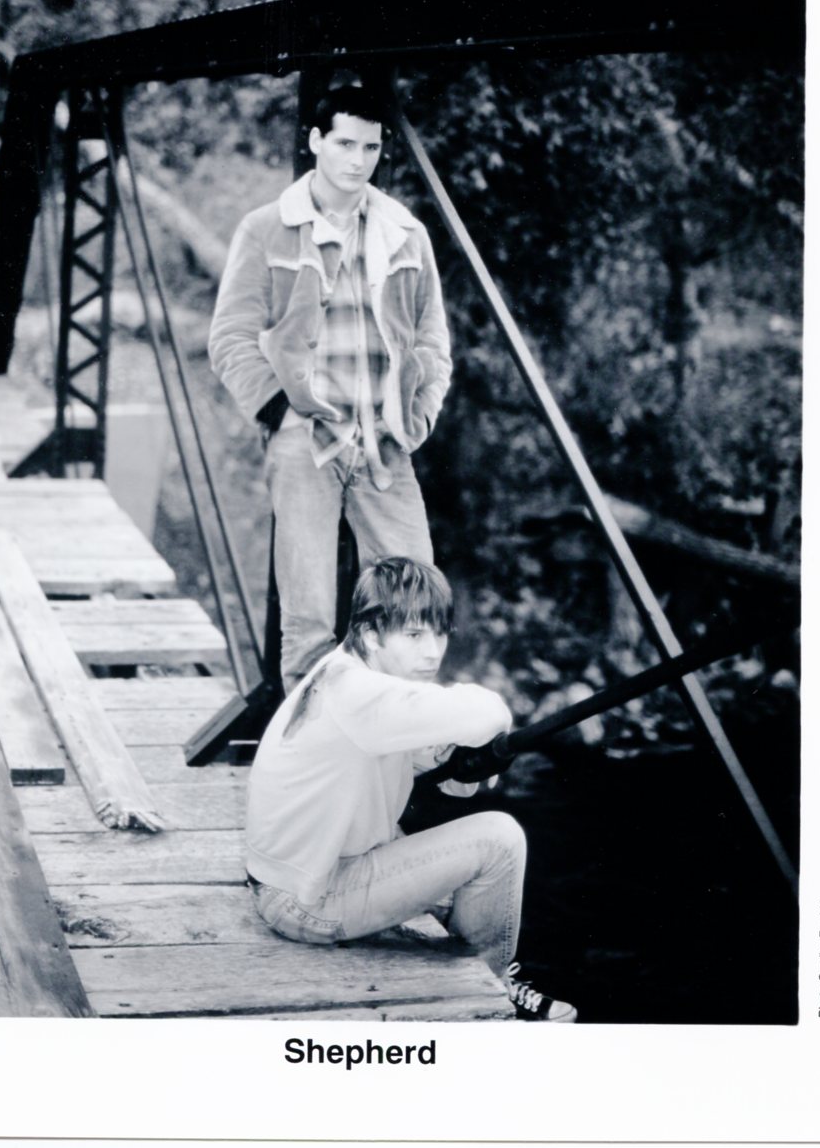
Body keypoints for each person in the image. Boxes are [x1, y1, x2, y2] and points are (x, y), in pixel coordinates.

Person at [243, 556, 578, 1022]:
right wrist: (482, 724)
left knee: (477, 889)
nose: (433, 652)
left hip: (294, 878)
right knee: (499, 840)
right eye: (415, 635)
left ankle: (478, 979)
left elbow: (444, 771)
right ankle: (494, 994)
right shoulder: (360, 694)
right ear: (370, 633)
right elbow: (489, 713)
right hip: (304, 900)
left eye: (440, 634)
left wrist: (463, 761)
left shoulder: (345, 675)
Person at [209, 79, 452, 692]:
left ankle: (400, 732)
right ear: (315, 141)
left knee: (414, 601)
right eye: (345, 144)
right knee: (308, 615)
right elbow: (230, 337)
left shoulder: (406, 233)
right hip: (307, 440)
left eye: (370, 148)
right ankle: (311, 736)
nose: (357, 160)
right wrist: (279, 412)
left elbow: (432, 341)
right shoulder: (266, 228)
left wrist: (418, 418)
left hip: (384, 442)